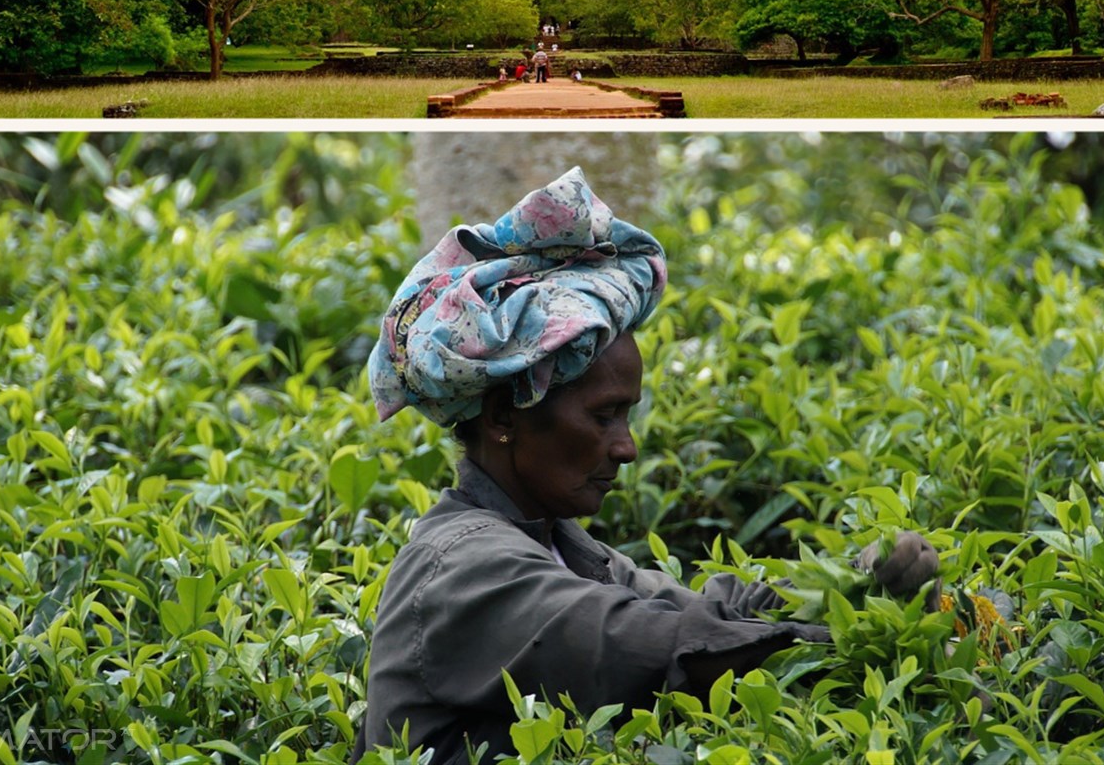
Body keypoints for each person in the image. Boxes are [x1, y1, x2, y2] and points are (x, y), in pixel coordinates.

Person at [354, 170, 938, 764]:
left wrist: (854, 583)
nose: (626, 447)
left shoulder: (563, 549)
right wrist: (847, 642)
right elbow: (650, 643)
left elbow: (701, 609)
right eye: (605, 416)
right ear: (506, 414)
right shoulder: (464, 566)